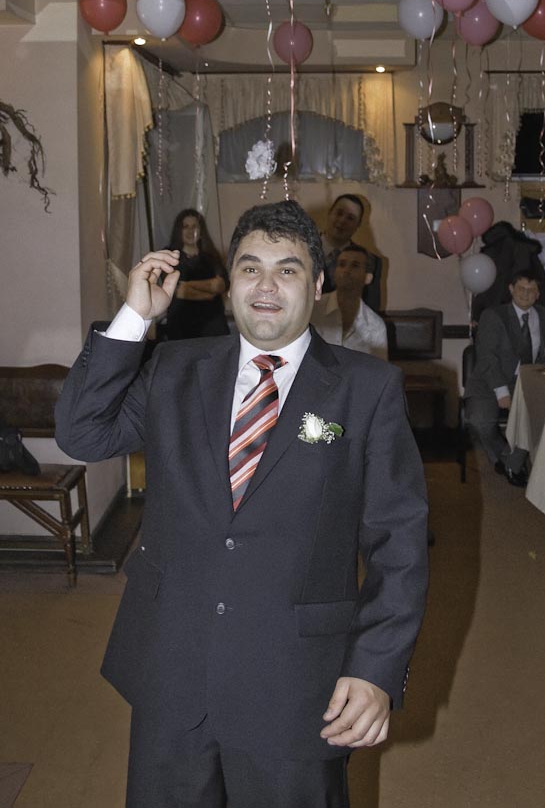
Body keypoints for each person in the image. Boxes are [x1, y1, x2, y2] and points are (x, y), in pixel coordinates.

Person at [55, 200, 428, 808]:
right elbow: (81, 433)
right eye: (251, 268)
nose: (266, 286)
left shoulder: (368, 390)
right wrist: (134, 316)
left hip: (297, 684)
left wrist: (375, 668)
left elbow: (399, 545)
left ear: (318, 283)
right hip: (174, 672)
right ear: (230, 285)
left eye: (288, 270)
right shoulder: (174, 369)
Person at [465, 270, 545, 487]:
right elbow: (487, 356)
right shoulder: (493, 315)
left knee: (540, 415)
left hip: (528, 382)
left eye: (531, 290)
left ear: (538, 294)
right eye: (521, 288)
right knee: (480, 422)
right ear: (511, 289)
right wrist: (501, 391)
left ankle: (513, 464)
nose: (526, 293)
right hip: (489, 381)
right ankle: (504, 457)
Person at [312, 246, 389, 361]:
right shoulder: (313, 309)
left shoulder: (375, 326)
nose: (346, 270)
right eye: (342, 264)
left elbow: (380, 369)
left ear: (368, 278)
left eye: (355, 266)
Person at [164, 208, 229, 340]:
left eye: (194, 226)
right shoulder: (169, 255)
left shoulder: (211, 255)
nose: (190, 231)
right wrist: (210, 292)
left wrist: (187, 285)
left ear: (201, 231)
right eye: (185, 227)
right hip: (181, 328)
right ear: (179, 230)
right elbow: (179, 292)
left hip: (214, 327)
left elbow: (221, 285)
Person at [321, 194, 383, 312]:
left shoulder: (370, 261)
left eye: (350, 218)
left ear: (358, 225)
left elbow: (371, 310)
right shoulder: (301, 252)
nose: (342, 220)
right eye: (339, 213)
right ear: (329, 213)